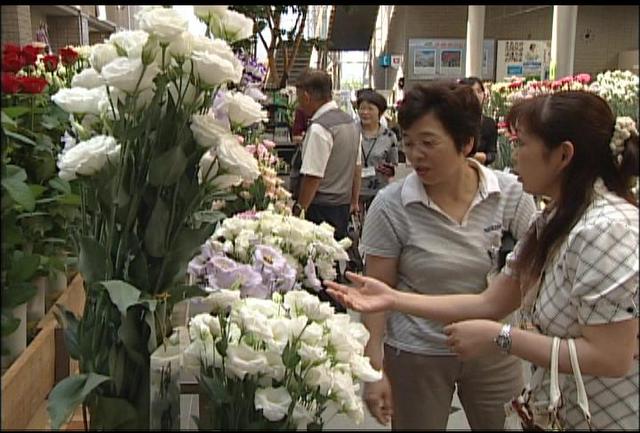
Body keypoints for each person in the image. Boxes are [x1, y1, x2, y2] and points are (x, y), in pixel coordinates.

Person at [326, 91, 640, 430]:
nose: (514, 158)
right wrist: (391, 298)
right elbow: (490, 301)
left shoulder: (606, 229)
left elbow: (611, 356)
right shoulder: (555, 218)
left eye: (521, 145)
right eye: (409, 142)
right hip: (564, 406)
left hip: (607, 413)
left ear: (563, 155)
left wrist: (500, 336)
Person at [326, 81, 538, 430]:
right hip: (417, 350)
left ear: (466, 143)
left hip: (492, 346)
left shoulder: (510, 195)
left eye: (429, 142)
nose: (415, 154)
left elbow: (536, 271)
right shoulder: (392, 205)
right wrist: (374, 368)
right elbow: (377, 290)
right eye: (409, 142)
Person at [293, 68, 362, 308]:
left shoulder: (320, 128)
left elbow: (312, 175)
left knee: (317, 272)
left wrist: (299, 209)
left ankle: (324, 314)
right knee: (332, 266)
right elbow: (357, 167)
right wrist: (354, 200)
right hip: (341, 207)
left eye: (298, 94)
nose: (297, 100)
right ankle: (336, 311)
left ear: (307, 95)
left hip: (320, 208)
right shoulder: (351, 124)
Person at [355, 89, 399, 214]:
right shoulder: (351, 131)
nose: (365, 112)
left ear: (380, 111)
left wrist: (389, 170)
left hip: (379, 192)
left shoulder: (389, 136)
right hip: (353, 191)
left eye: (370, 109)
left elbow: (393, 164)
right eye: (362, 108)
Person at [459, 76, 498, 166]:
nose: (476, 95)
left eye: (479, 91)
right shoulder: (455, 121)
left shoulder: (489, 123)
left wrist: (473, 156)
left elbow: (492, 154)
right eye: (472, 92)